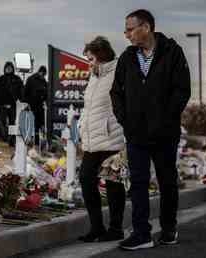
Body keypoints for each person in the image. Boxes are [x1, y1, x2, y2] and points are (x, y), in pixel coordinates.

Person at [110, 9, 191, 250]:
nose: (126, 34)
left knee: (167, 183)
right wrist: (125, 120)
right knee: (138, 184)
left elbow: (182, 91)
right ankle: (142, 234)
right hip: (136, 134)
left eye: (130, 29)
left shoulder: (172, 53)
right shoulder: (127, 58)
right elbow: (116, 92)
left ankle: (168, 229)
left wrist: (165, 119)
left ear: (146, 28)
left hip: (165, 133)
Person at [78, 36, 126, 242]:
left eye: (91, 58)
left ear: (102, 56)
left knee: (113, 183)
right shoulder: (94, 77)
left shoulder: (118, 73)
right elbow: (89, 108)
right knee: (86, 179)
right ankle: (96, 227)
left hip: (112, 138)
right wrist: (81, 126)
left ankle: (116, 229)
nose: (88, 62)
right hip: (92, 140)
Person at [0, 61, 23, 145]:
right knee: (2, 123)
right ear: (5, 69)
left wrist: (20, 102)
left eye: (10, 68)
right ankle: (5, 137)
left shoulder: (17, 79)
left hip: (13, 106)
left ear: (12, 69)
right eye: (7, 68)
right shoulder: (0, 79)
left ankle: (12, 139)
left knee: (12, 123)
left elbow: (21, 92)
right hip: (2, 106)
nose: (8, 69)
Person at [23, 66, 48, 138]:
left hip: (38, 105)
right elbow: (25, 92)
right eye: (43, 73)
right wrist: (26, 103)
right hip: (33, 104)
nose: (43, 75)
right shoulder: (32, 79)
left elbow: (46, 93)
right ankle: (33, 138)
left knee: (37, 123)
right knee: (35, 123)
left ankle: (35, 139)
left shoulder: (42, 81)